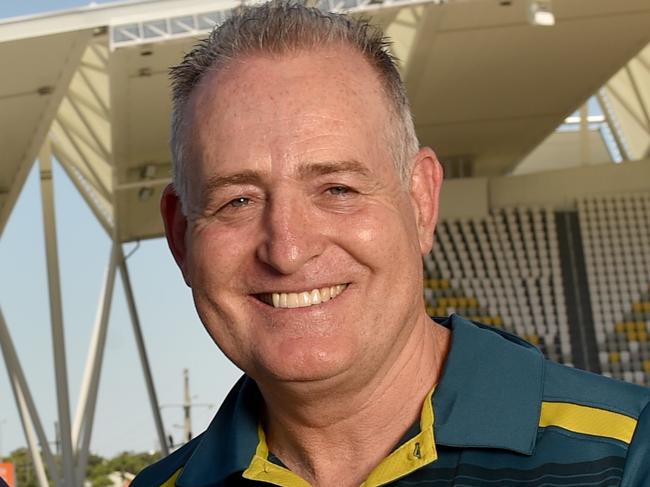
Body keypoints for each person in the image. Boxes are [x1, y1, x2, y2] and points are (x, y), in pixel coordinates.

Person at [133, 2, 650, 486]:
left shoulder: (630, 453)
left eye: (337, 189)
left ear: (421, 202)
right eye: (237, 202)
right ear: (180, 235)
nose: (287, 251)